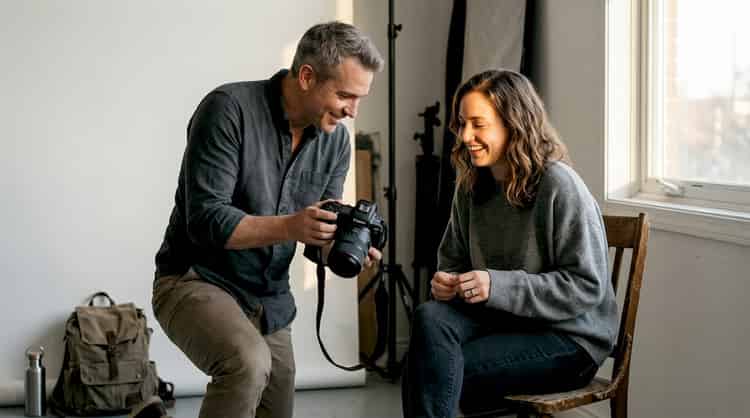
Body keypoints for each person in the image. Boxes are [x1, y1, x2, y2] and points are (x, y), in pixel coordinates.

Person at [149, 22, 383, 418]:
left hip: (268, 299)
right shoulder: (227, 109)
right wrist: (292, 225)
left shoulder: (336, 142)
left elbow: (315, 237)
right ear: (307, 76)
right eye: (345, 95)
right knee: (247, 363)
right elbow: (206, 220)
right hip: (194, 278)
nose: (351, 111)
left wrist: (342, 250)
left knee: (276, 400)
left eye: (359, 98)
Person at [401, 69, 617, 418]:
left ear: (513, 123)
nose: (465, 136)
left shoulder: (559, 185)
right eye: (461, 124)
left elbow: (586, 285)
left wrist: (495, 284)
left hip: (570, 338)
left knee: (429, 368)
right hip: (505, 322)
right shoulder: (472, 186)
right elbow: (452, 260)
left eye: (478, 123)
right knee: (431, 317)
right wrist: (449, 282)